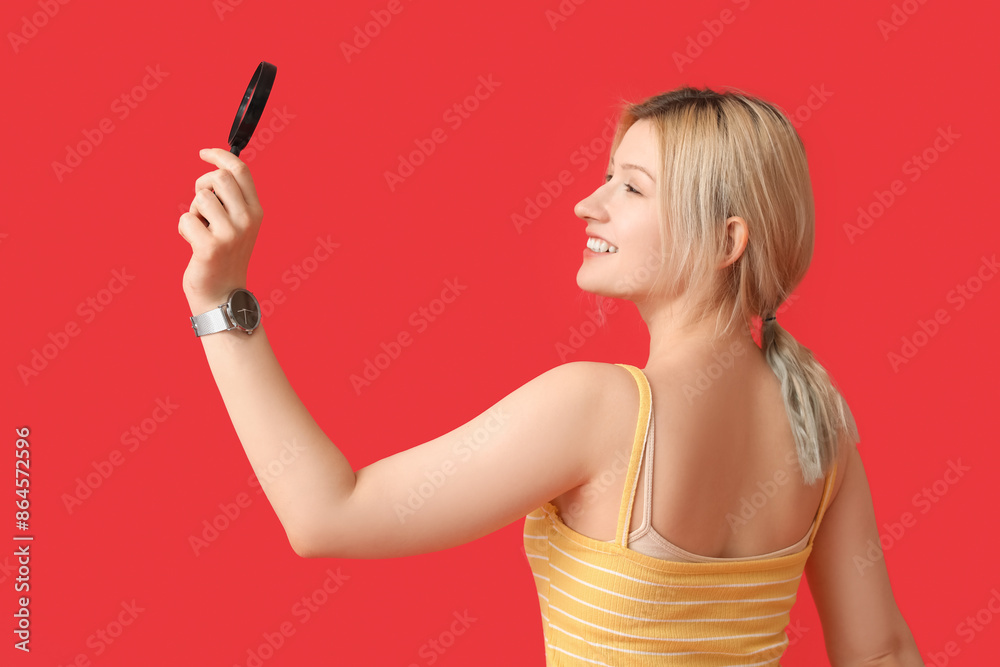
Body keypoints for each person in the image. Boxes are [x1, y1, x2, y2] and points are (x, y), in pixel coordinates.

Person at [178, 85, 922, 665]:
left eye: (630, 187)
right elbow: (880, 652)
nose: (586, 203)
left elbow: (326, 514)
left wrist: (219, 302)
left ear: (729, 239)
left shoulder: (599, 408)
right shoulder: (816, 423)